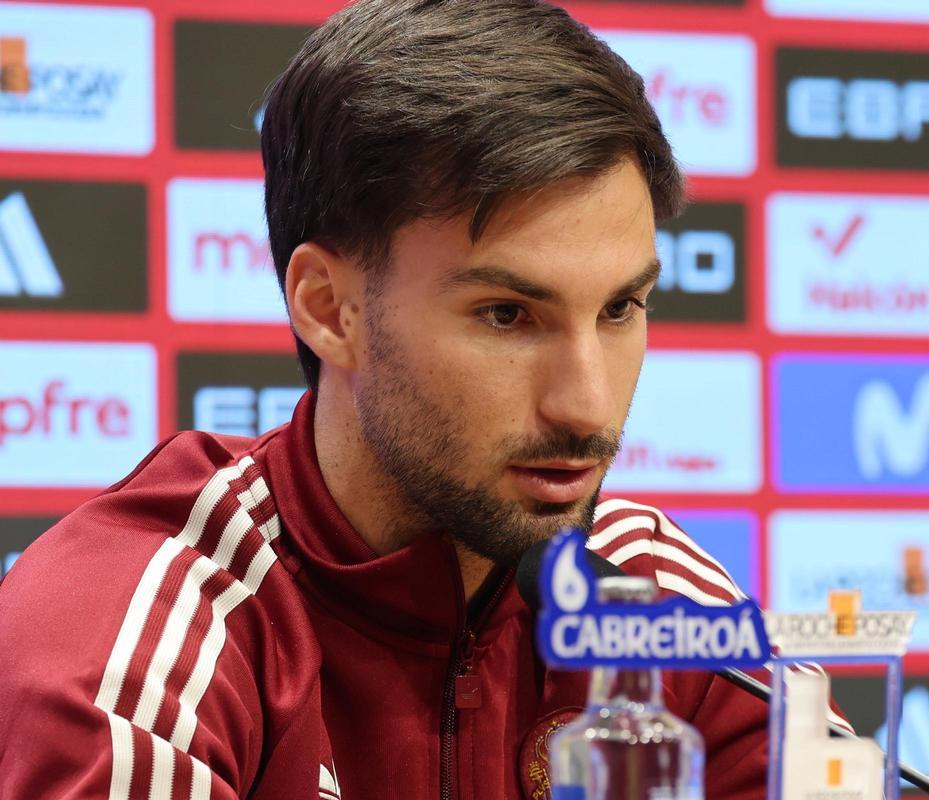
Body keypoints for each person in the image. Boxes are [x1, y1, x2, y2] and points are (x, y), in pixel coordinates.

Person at [0, 1, 846, 797]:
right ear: (329, 308)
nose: (588, 407)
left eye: (619, 308)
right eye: (508, 315)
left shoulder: (650, 601)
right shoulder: (144, 640)